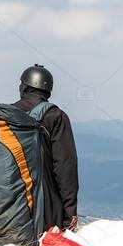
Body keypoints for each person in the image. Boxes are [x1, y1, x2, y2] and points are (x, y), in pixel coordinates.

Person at [14, 64, 80, 232]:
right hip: (43, 206)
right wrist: (69, 213)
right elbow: (65, 167)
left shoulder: (3, 116)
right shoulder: (55, 116)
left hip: (7, 205)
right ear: (48, 91)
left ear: (23, 87)